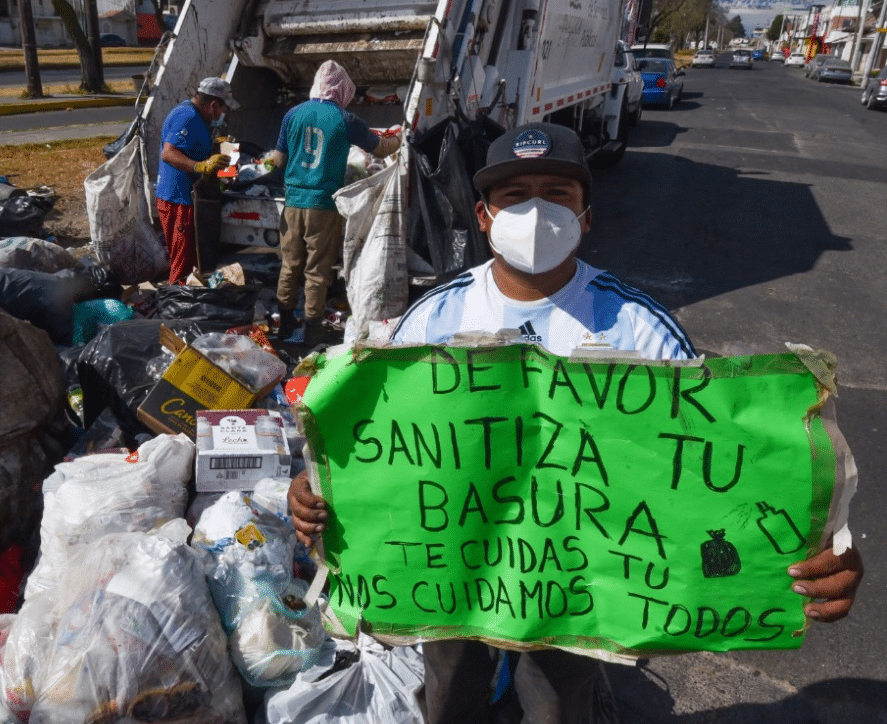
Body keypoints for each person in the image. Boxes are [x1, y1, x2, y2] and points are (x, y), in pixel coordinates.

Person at [287, 122, 863, 723]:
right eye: (515, 196)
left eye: (557, 193)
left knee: (559, 704)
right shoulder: (429, 323)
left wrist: (821, 543)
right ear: (483, 217)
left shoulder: (640, 331)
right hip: (452, 569)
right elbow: (378, 446)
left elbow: (711, 467)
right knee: (450, 693)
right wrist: (322, 487)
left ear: (586, 216)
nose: (536, 210)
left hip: (583, 584)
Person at [271, 60, 401, 345]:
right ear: (342, 89)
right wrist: (400, 138)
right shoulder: (345, 119)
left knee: (290, 264)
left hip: (292, 202)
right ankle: (313, 327)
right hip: (323, 204)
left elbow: (277, 160)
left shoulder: (293, 114)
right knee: (317, 269)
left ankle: (284, 321)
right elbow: (380, 149)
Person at [155, 77, 239, 284]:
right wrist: (199, 167)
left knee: (193, 261)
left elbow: (197, 151)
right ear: (212, 105)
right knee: (182, 264)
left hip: (188, 198)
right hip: (177, 199)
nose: (223, 114)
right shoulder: (187, 116)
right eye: (222, 109)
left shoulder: (201, 119)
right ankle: (176, 306)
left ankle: (188, 303)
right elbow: (168, 153)